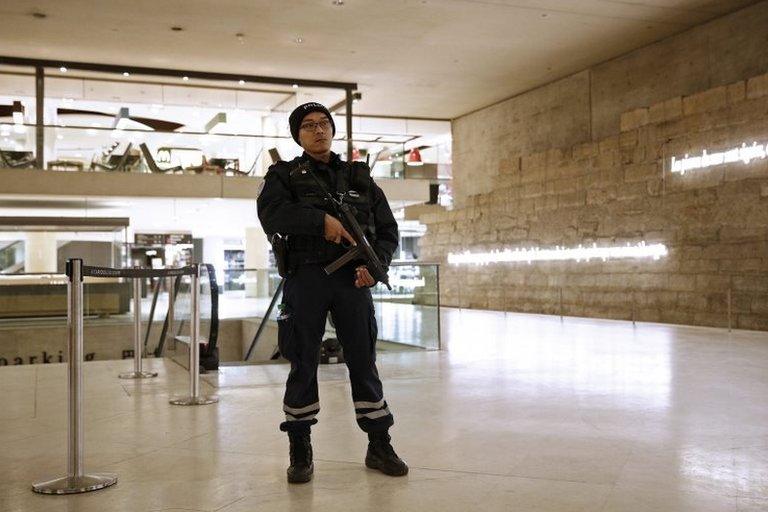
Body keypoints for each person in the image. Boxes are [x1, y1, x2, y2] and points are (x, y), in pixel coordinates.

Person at [257, 102, 408, 483]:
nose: (318, 130)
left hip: (352, 279)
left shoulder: (359, 177)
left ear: (332, 130)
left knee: (363, 358)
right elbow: (271, 214)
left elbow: (387, 231)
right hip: (306, 278)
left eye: (324, 123)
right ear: (298, 135)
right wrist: (318, 221)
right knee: (303, 360)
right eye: (308, 126)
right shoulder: (284, 176)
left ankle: (379, 443)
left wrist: (374, 269)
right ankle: (300, 446)